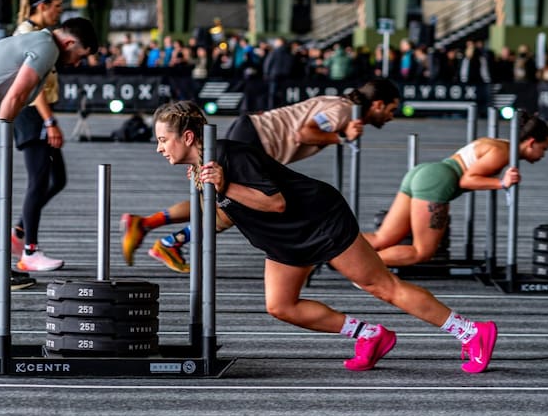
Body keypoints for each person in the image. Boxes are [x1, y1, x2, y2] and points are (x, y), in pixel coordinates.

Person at [151, 100, 498, 374]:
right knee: (281, 306)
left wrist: (225, 186)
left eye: (163, 140)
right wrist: (180, 232)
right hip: (283, 239)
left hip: (317, 219)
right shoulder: (201, 169)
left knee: (381, 286)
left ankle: (470, 331)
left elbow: (274, 203)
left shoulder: (231, 156)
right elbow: (229, 211)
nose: (159, 148)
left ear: (188, 137)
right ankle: (369, 335)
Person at [120, 79, 401, 273]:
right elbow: (304, 133)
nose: (390, 117)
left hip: (252, 130)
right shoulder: (341, 111)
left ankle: (146, 224)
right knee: (231, 208)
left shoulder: (338, 102)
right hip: (256, 139)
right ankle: (171, 242)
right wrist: (342, 136)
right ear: (376, 104)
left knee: (215, 197)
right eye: (391, 110)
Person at [0, 16, 97, 290]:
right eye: (79, 55)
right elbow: (14, 97)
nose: (76, 63)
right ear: (69, 43)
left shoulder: (39, 40)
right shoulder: (47, 48)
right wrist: (3, 136)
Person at [364, 110, 548, 267]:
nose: (543, 155)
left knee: (382, 238)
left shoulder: (497, 144)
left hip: (424, 173)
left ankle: (336, 251)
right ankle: (363, 267)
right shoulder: (502, 152)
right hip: (437, 181)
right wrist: (502, 183)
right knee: (422, 251)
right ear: (531, 143)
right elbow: (467, 180)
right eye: (543, 148)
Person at [7, 0, 69, 273]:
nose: (60, 12)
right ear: (42, 7)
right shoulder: (29, 35)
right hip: (33, 114)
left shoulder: (39, 33)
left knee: (57, 179)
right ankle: (29, 249)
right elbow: (35, 89)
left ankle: (19, 232)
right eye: (57, 7)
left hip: (38, 113)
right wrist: (50, 121)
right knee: (39, 180)